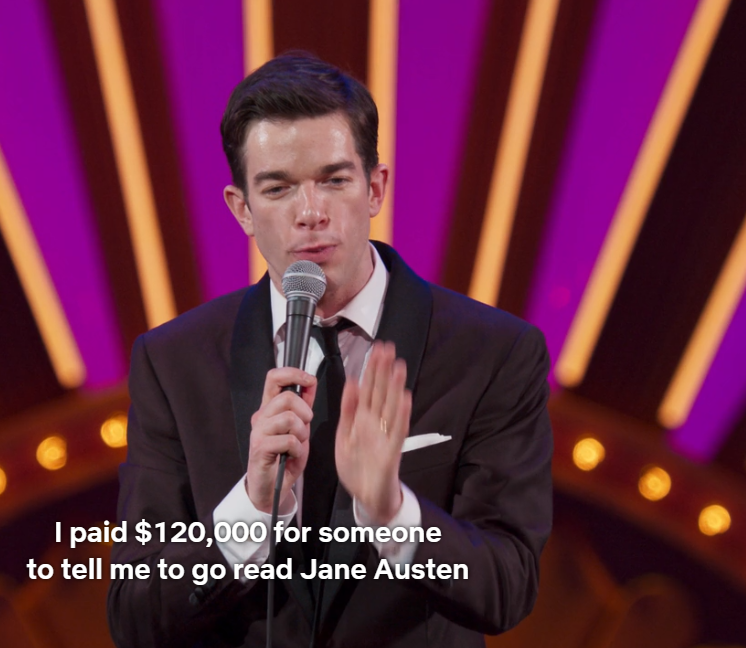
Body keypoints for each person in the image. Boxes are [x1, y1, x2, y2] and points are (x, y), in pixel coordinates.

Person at [107, 53, 552, 647]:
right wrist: (251, 510)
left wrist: (392, 511)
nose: (311, 213)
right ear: (242, 209)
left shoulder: (493, 352)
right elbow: (135, 616)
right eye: (278, 188)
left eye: (335, 180)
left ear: (375, 188)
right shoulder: (173, 363)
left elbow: (508, 586)